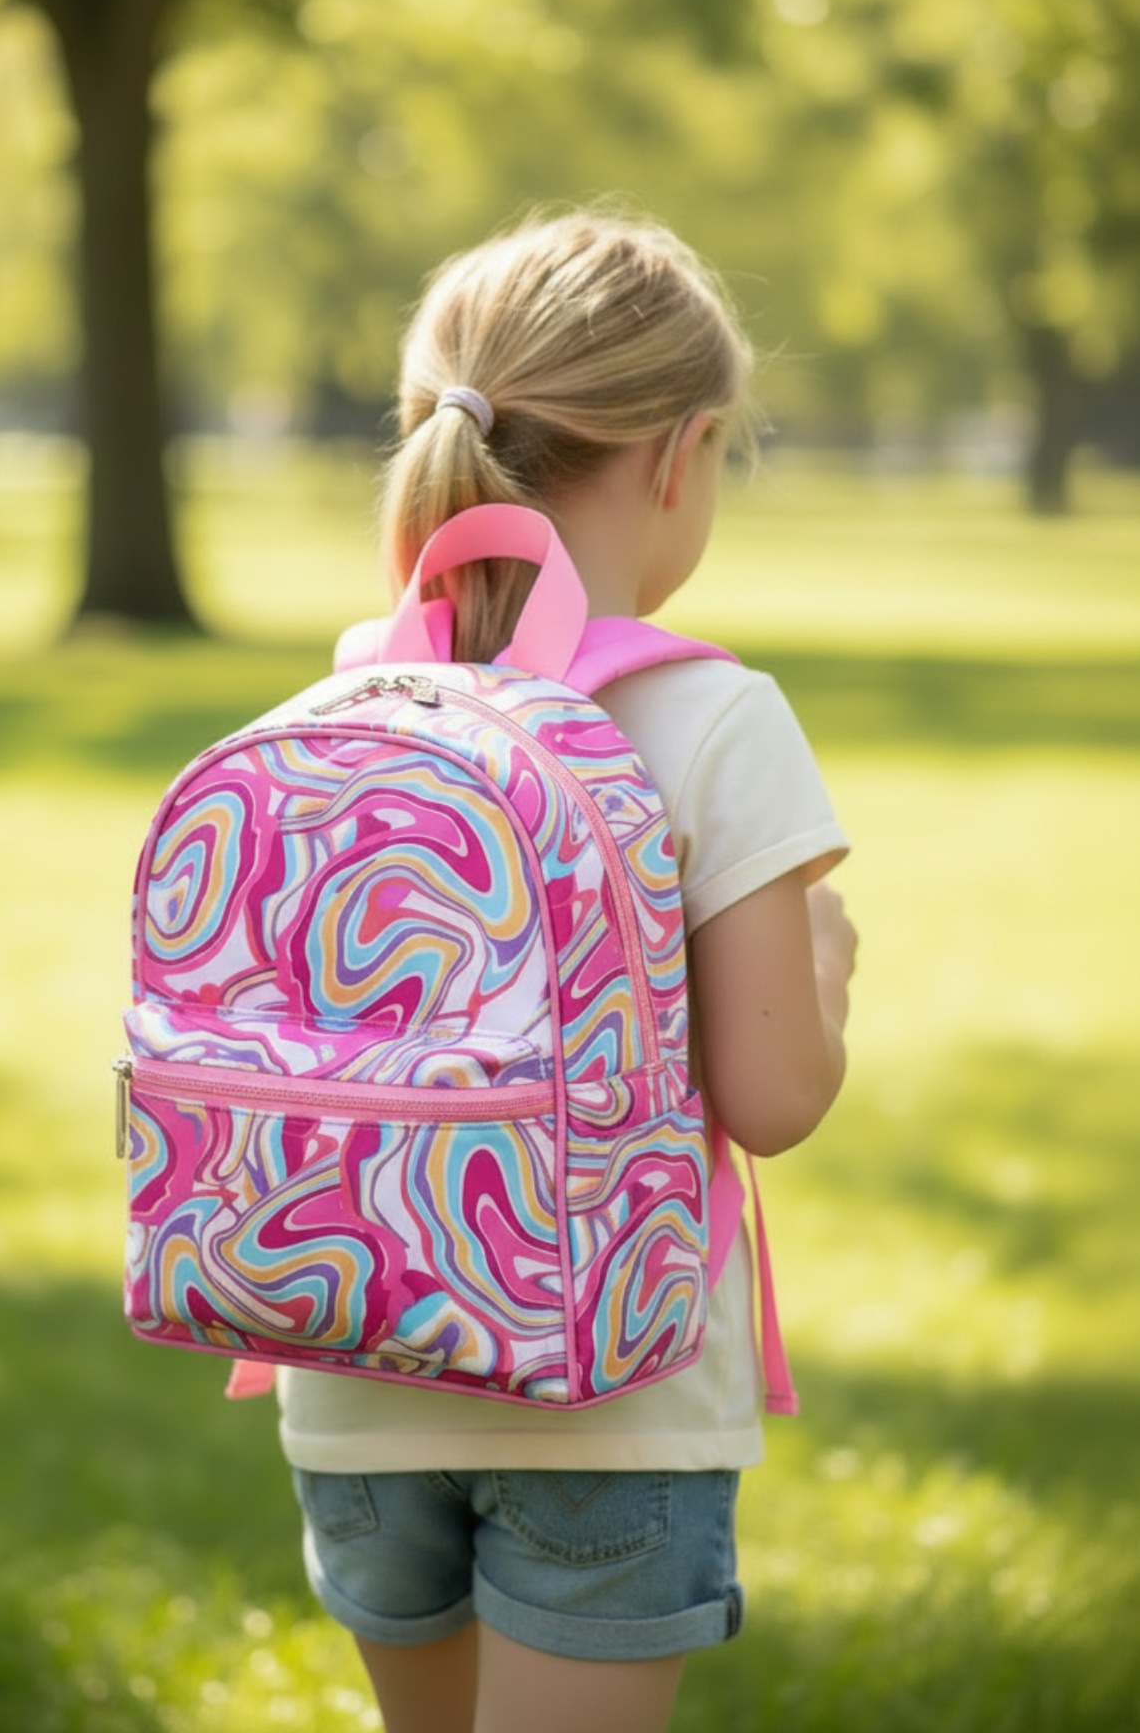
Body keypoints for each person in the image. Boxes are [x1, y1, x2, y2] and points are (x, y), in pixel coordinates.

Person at [276, 209, 858, 1733]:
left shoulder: (351, 695)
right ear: (684, 452)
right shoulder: (715, 719)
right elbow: (776, 1096)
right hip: (610, 1393)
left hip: (351, 1362)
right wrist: (827, 966)